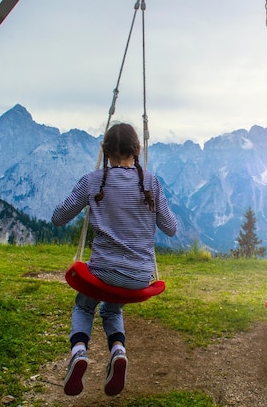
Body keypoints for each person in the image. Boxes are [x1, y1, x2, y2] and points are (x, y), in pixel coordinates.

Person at [52, 122, 177, 397]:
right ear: (138, 150)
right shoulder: (151, 182)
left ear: (105, 151)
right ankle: (118, 351)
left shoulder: (93, 180)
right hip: (139, 276)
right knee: (112, 309)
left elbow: (58, 218)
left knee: (85, 306)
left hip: (103, 272)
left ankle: (79, 352)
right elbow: (171, 228)